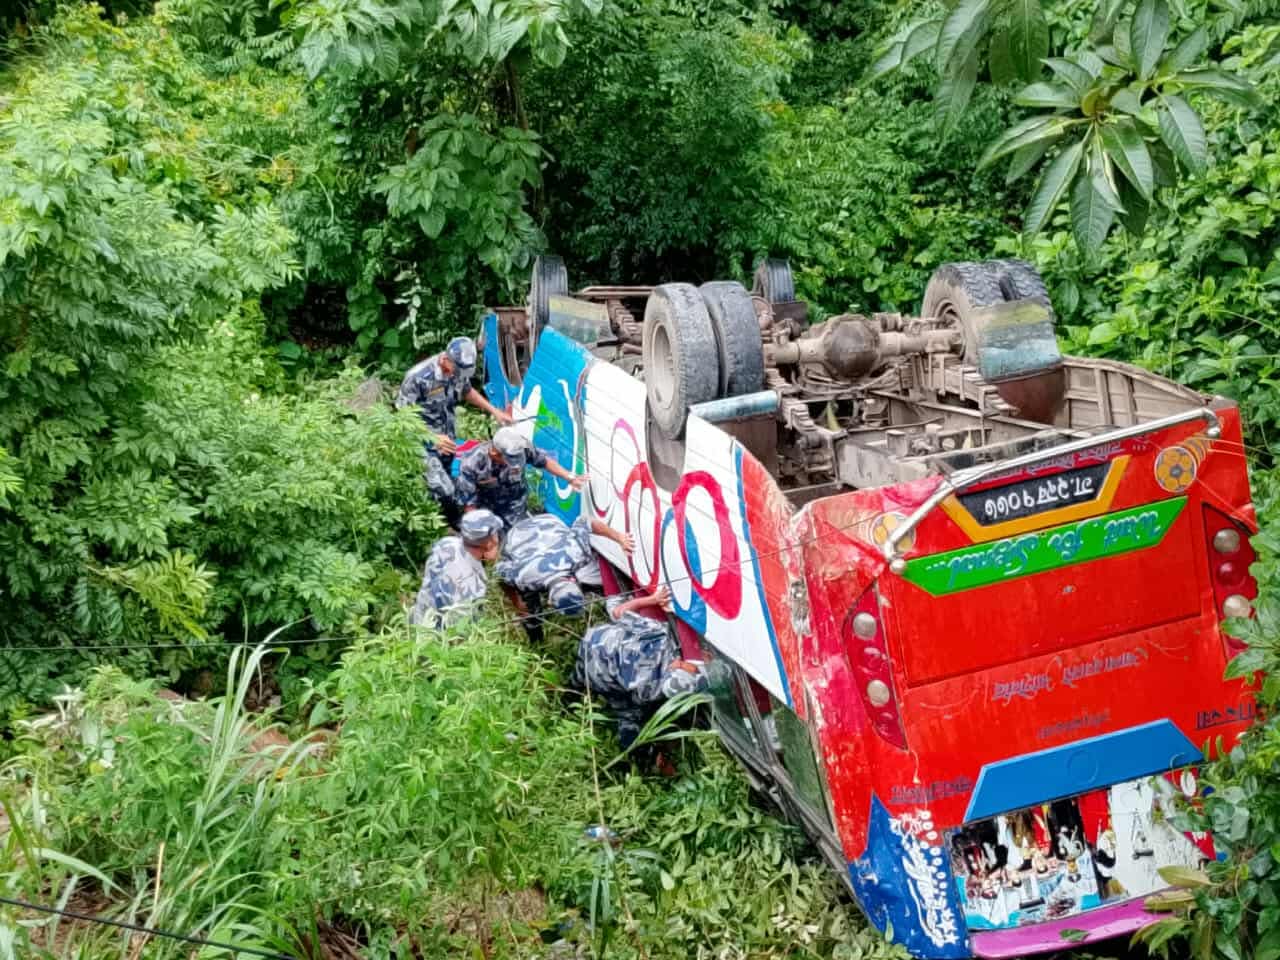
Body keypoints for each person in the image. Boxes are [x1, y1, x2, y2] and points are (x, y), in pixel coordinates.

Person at [395, 336, 513, 528]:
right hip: (420, 440)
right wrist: (432, 437)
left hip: (447, 438)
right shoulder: (417, 378)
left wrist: (494, 411)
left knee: (447, 477)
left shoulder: (457, 370)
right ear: (445, 360)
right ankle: (448, 523)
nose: (457, 376)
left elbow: (467, 391)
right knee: (443, 488)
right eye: (455, 371)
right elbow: (402, 418)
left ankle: (440, 512)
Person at [571, 586, 708, 748]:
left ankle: (568, 696)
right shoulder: (651, 692)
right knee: (628, 714)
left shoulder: (658, 636)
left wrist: (653, 599)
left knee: (575, 683)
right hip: (600, 669)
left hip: (594, 648)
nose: (695, 668)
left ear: (677, 666)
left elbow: (619, 612)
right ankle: (633, 751)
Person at [495, 512, 634, 641]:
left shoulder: (577, 553)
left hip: (548, 524)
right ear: (549, 600)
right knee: (531, 613)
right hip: (517, 535)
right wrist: (517, 602)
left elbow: (585, 521)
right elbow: (498, 573)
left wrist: (619, 538)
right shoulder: (524, 579)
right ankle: (536, 642)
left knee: (597, 580)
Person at [455, 426, 587, 531]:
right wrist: (478, 530)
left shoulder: (521, 446)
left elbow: (544, 461)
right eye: (510, 460)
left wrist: (570, 477)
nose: (516, 464)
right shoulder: (471, 464)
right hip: (485, 509)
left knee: (518, 540)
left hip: (515, 505)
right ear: (495, 453)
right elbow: (469, 505)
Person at [407, 509, 503, 628]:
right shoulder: (468, 586)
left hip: (421, 617)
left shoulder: (447, 543)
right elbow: (461, 629)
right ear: (489, 543)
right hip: (435, 634)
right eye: (496, 534)